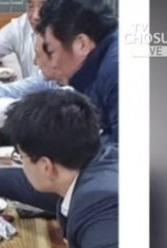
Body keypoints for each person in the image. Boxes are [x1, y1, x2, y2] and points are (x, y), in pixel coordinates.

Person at [0, 90, 118, 248]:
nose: (22, 164)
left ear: (46, 166)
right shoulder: (95, 162)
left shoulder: (103, 214)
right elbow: (39, 187)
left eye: (22, 157)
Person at [37, 0, 118, 144]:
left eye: (51, 52)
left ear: (82, 44)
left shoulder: (116, 72)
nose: (53, 64)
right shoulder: (101, 63)